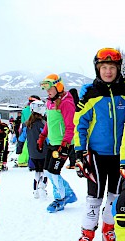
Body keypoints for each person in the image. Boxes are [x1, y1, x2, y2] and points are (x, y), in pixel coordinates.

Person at [73, 48, 125, 241]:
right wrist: (79, 153)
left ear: (118, 69)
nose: (108, 72)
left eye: (112, 67)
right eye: (104, 68)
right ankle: (87, 234)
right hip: (97, 155)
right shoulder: (90, 93)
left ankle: (109, 230)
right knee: (94, 197)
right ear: (98, 69)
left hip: (121, 155)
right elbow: (79, 124)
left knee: (116, 196)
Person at [38, 74, 77, 213]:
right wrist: (43, 135)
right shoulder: (50, 102)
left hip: (63, 143)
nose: (48, 91)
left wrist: (65, 143)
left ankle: (60, 199)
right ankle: (68, 193)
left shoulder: (66, 103)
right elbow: (50, 122)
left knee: (54, 172)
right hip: (53, 142)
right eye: (46, 89)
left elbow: (71, 126)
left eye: (50, 88)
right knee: (47, 171)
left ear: (58, 87)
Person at [17, 100, 48, 198]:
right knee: (45, 170)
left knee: (37, 171)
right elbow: (48, 138)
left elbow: (21, 138)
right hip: (43, 151)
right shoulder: (43, 124)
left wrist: (19, 148)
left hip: (32, 153)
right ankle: (42, 187)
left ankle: (35, 191)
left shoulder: (26, 124)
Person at [16, 95, 40, 168]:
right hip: (35, 128)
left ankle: (22, 160)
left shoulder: (24, 110)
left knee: (25, 144)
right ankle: (32, 162)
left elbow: (22, 121)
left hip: (25, 127)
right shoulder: (37, 109)